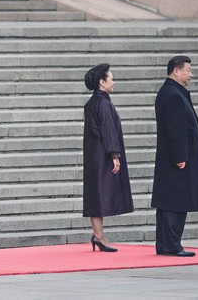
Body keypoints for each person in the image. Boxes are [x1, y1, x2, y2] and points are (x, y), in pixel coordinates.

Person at [151, 55, 198, 257]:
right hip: (176, 159)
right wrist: (180, 156)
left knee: (170, 201)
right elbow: (175, 129)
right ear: (176, 71)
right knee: (175, 202)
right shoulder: (173, 94)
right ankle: (171, 245)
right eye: (188, 70)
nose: (190, 74)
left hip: (173, 158)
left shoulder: (171, 91)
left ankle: (166, 243)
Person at [82, 63, 134, 252]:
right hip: (103, 156)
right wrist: (115, 155)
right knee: (101, 195)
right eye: (111, 78)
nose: (114, 82)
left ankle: (98, 235)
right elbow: (108, 130)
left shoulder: (91, 103)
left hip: (93, 156)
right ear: (102, 83)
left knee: (95, 196)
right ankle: (99, 236)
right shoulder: (103, 103)